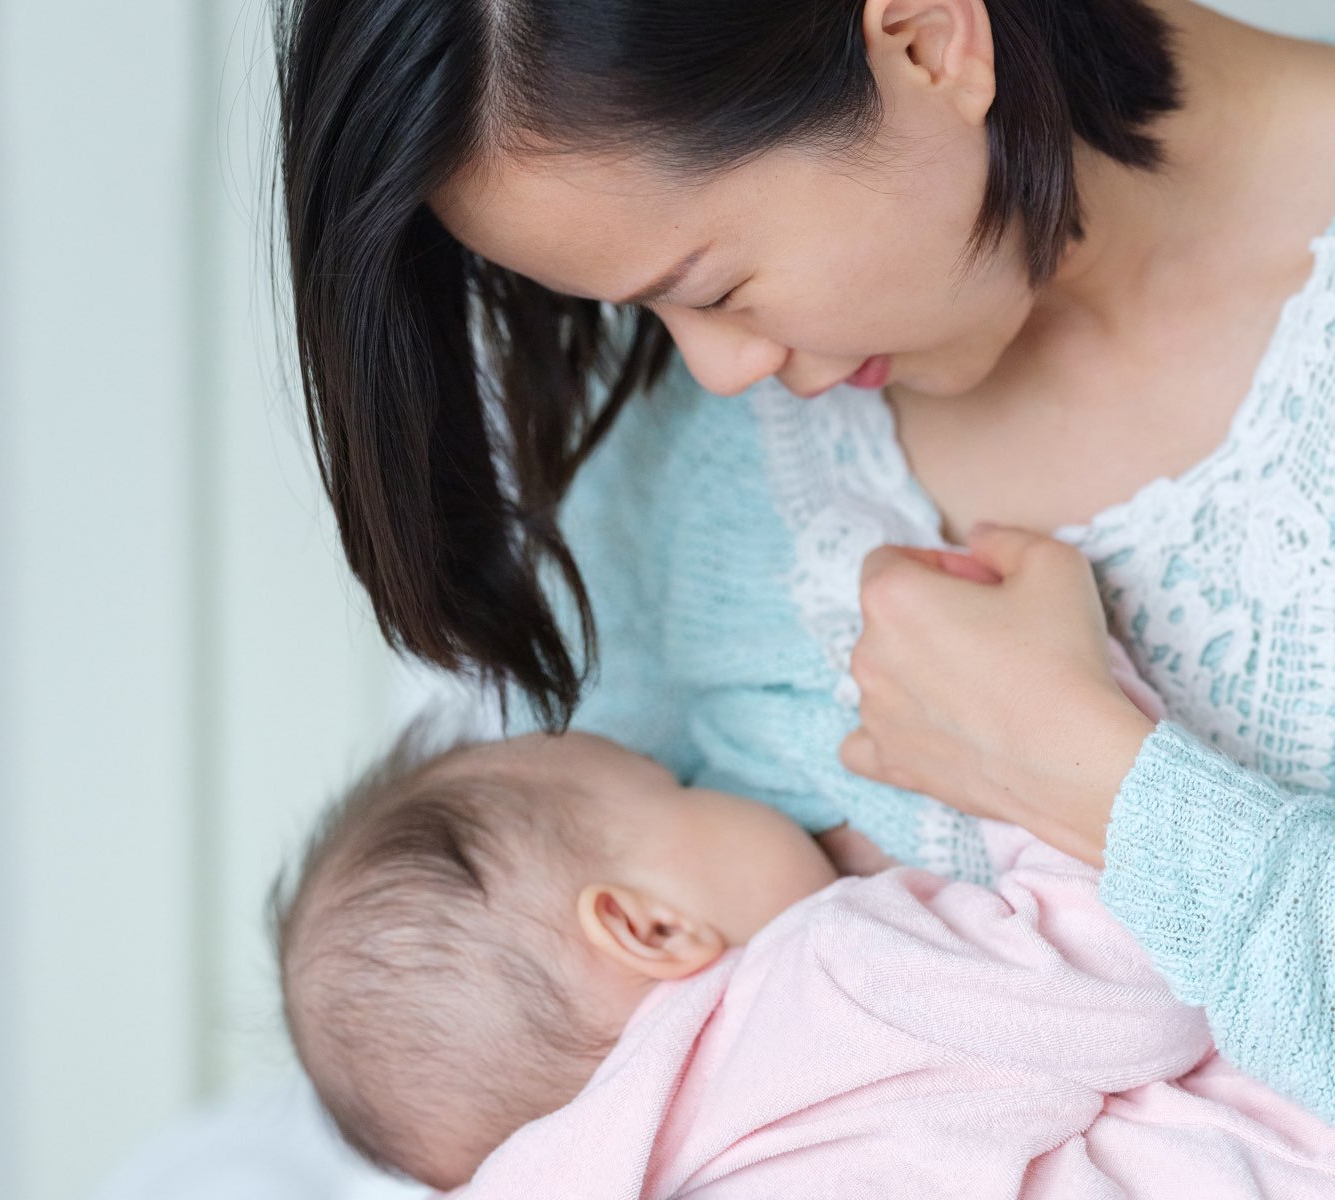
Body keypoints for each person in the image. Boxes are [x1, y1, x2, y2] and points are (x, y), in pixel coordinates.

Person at [274, 0, 1335, 1119]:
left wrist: (1099, 783)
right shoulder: (680, 462)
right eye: (639, 311)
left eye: (712, 287)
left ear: (929, 41)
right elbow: (563, 1073)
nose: (719, 371)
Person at [275, 726, 1335, 1196]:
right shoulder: (831, 974)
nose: (718, 782)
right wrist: (1017, 770)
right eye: (674, 785)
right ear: (649, 929)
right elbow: (1136, 990)